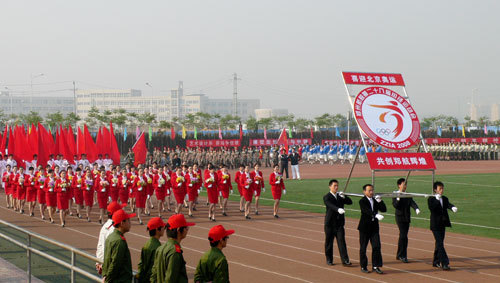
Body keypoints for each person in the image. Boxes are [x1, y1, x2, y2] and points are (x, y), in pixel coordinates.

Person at [151, 214, 195, 283]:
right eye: (186, 227)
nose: (187, 229)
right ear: (178, 230)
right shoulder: (175, 252)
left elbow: (154, 275)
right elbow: (170, 279)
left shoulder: (160, 248)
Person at [428, 181, 458, 270]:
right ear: (435, 190)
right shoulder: (431, 199)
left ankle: (435, 261)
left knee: (439, 243)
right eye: (440, 188)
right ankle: (445, 263)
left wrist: (452, 207)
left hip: (443, 224)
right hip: (435, 225)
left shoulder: (444, 198)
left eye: (442, 188)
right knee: (440, 243)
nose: (441, 190)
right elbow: (432, 208)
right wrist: (437, 200)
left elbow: (447, 204)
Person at [358, 184, 386, 274]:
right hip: (365, 228)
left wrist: (380, 201)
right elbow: (366, 211)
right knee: (363, 248)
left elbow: (384, 209)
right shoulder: (362, 201)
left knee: (376, 246)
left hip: (374, 228)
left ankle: (376, 265)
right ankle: (363, 266)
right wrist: (375, 214)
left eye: (372, 190)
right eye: (369, 190)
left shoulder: (375, 200)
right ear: (364, 192)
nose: (371, 192)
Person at [323, 179, 352, 266]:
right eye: (334, 186)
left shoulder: (340, 196)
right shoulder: (326, 197)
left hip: (339, 224)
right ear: (330, 186)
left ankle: (345, 260)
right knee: (329, 242)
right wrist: (337, 209)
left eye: (337, 186)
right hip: (330, 224)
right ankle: (329, 259)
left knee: (342, 242)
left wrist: (344, 197)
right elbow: (330, 205)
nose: (336, 187)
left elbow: (350, 202)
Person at [102, 209, 135, 283]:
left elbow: (107, 260)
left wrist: (105, 275)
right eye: (128, 220)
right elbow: (115, 264)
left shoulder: (111, 237)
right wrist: (108, 279)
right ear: (122, 223)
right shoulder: (119, 241)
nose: (130, 223)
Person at [392, 178, 420, 263]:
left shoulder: (408, 194)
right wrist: (398, 198)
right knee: (404, 235)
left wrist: (416, 208)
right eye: (403, 184)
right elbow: (395, 205)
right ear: (399, 185)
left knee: (404, 236)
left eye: (406, 184)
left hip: (407, 217)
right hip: (399, 217)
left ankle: (399, 254)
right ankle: (402, 255)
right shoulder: (395, 194)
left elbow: (412, 202)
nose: (405, 186)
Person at [96, 201, 127, 275]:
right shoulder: (113, 229)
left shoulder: (105, 226)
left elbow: (100, 246)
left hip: (105, 263)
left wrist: (99, 262)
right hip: (110, 266)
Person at [137, 217, 166, 283]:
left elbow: (141, 264)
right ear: (157, 229)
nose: (164, 229)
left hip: (144, 278)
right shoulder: (157, 247)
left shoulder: (147, 244)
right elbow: (154, 268)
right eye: (163, 227)